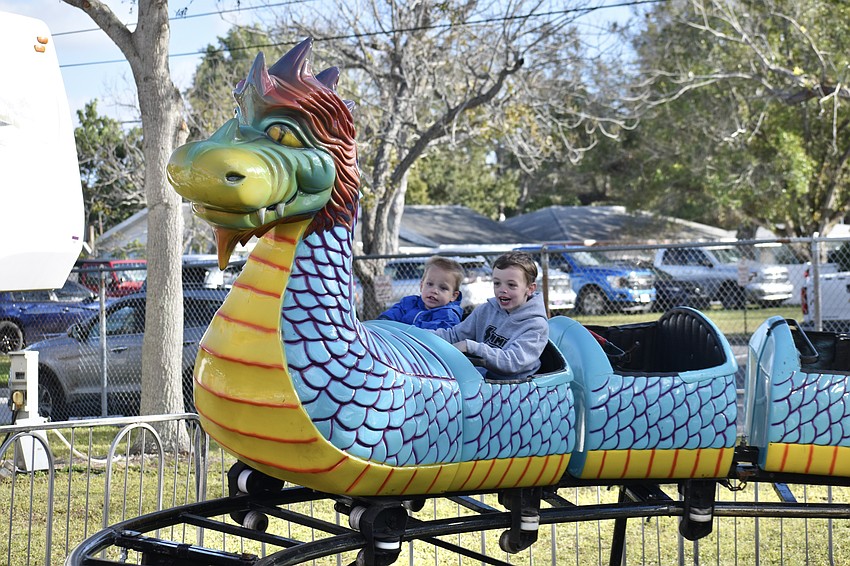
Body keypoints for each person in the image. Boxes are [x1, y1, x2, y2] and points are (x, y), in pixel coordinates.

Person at [431, 251, 548, 380]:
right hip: (482, 379)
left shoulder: (536, 325)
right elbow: (454, 335)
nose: (502, 289)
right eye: (497, 283)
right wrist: (419, 336)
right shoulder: (486, 309)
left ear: (530, 289)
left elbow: (511, 362)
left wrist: (470, 347)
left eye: (511, 285)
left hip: (516, 386)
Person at [378, 256, 465, 330]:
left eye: (443, 288)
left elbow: (432, 334)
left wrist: (403, 330)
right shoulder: (410, 303)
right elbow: (393, 313)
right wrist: (383, 321)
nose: (434, 291)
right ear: (421, 286)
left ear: (453, 296)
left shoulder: (448, 315)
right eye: (430, 284)